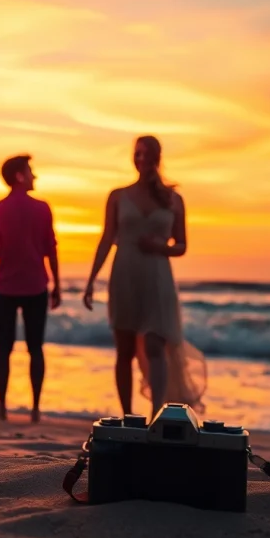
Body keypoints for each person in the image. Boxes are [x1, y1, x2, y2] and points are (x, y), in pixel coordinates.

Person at [82, 135, 206, 419]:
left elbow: (182, 245)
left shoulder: (173, 199)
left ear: (157, 158)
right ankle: (127, 416)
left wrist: (160, 247)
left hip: (157, 276)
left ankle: (155, 415)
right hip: (124, 274)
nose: (142, 160)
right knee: (124, 349)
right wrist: (91, 281)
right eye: (137, 154)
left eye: (147, 155)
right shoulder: (118, 196)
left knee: (154, 344)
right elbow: (105, 239)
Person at [0, 154, 61, 423]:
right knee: (35, 348)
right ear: (19, 175)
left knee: (3, 347)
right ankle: (36, 410)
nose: (34, 176)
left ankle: (3, 409)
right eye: (30, 171)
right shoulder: (42, 208)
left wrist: (7, 245)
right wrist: (57, 285)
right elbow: (51, 248)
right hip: (35, 286)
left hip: (4, 286)